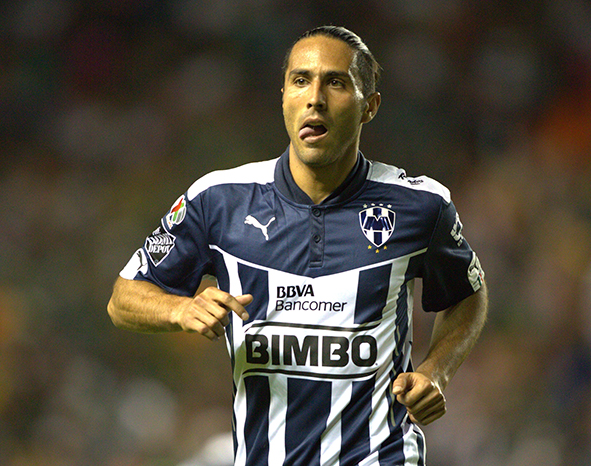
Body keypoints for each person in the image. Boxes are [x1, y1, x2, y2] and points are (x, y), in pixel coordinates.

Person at [108, 25, 488, 465]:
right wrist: (179, 309)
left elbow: (468, 294)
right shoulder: (219, 200)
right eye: (301, 80)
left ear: (369, 107)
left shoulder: (419, 206)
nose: (315, 99)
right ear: (284, 96)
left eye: (336, 82)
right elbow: (123, 299)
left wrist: (436, 372)